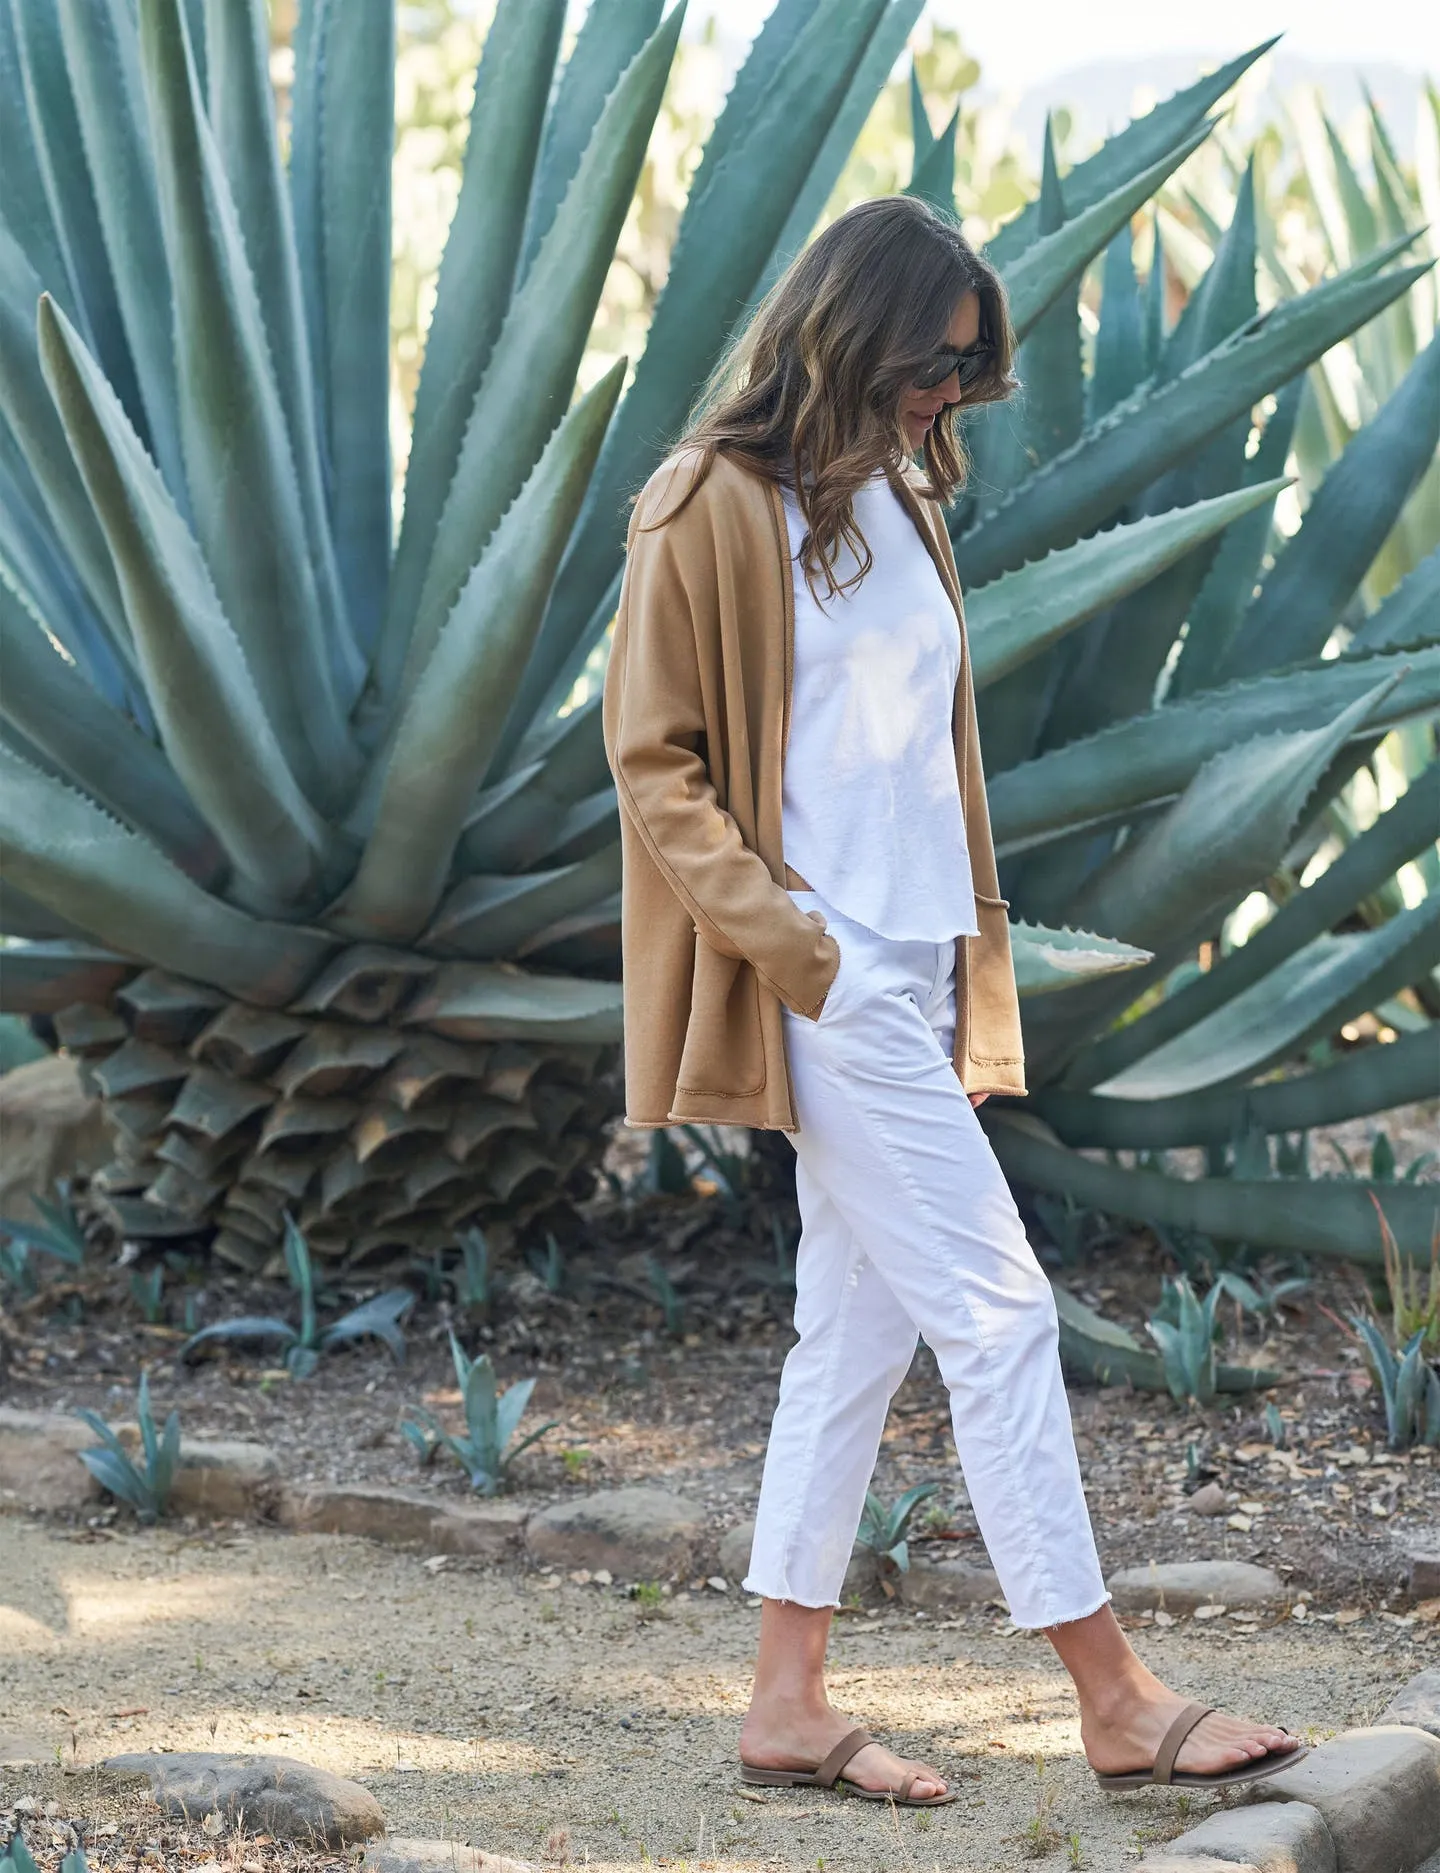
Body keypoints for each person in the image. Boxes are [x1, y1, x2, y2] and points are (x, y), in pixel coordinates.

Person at [601, 194, 1307, 1808]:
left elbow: (928, 764)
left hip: (912, 969)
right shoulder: (706, 503)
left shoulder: (904, 498)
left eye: (967, 375)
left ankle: (786, 1701)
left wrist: (936, 973)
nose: (949, 395)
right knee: (998, 1312)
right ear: (857, 329)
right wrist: (805, 954)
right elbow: (652, 760)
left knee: (846, 1340)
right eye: (935, 362)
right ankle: (1113, 1692)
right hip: (824, 980)